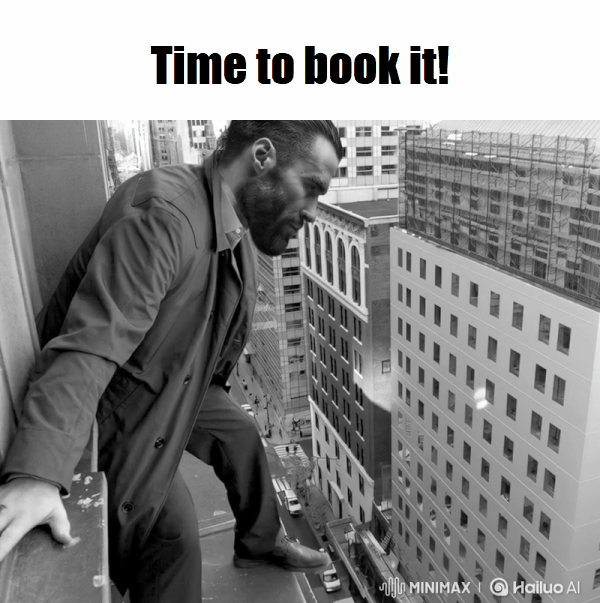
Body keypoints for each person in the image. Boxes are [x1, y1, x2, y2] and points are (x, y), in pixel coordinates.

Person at [0, 121, 342, 602]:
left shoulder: (231, 222)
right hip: (119, 400)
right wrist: (37, 474)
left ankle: (260, 543)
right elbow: (90, 345)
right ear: (262, 157)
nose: (312, 212)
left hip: (172, 374)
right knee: (174, 539)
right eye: (311, 187)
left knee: (242, 433)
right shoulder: (165, 216)